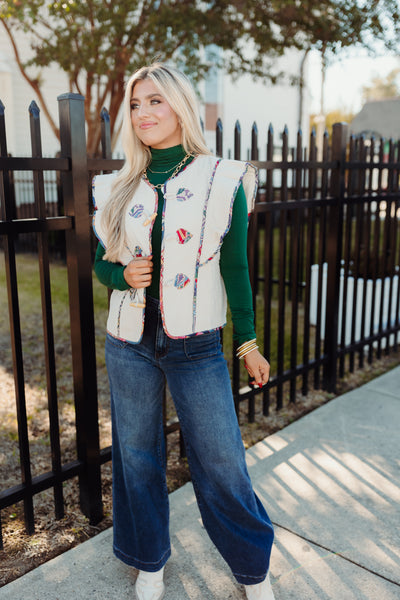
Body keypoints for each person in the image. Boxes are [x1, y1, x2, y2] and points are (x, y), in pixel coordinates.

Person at [92, 62, 275, 600]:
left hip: (195, 344)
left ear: (180, 107)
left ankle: (252, 570)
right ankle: (149, 560)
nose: (144, 113)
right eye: (135, 104)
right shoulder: (118, 183)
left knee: (221, 460)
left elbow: (236, 268)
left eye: (156, 101)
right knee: (137, 454)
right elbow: (101, 265)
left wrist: (247, 340)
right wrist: (120, 273)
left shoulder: (224, 176)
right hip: (128, 342)